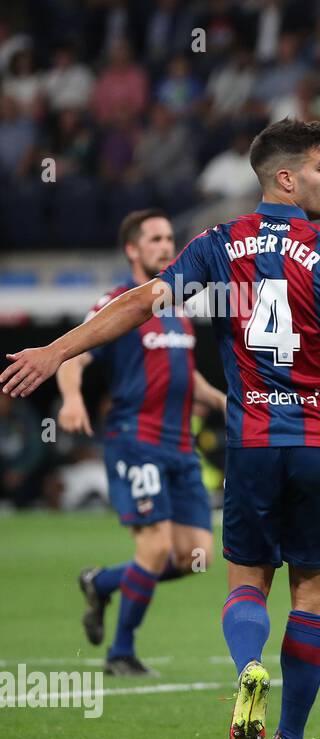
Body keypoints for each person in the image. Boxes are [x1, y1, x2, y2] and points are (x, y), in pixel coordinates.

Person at [1, 119, 320, 739]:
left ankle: (248, 665)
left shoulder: (218, 244)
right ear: (285, 177)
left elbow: (141, 304)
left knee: (247, 583)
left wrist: (56, 351)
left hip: (253, 444)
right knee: (313, 598)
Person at [58, 209, 227, 676]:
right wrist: (71, 399)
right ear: (132, 249)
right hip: (136, 441)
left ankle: (101, 582)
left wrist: (218, 398)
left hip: (179, 447)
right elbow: (74, 355)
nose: (166, 246)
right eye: (154, 239)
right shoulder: (117, 304)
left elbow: (182, 371)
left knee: (195, 557)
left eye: (170, 238)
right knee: (153, 549)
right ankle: (120, 654)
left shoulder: (177, 311)